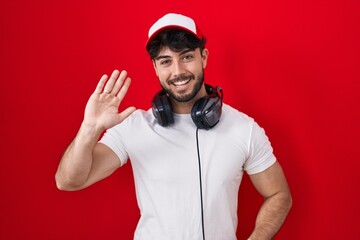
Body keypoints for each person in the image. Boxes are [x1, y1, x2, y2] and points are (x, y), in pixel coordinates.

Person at [55, 13, 292, 240]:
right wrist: (89, 129)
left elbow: (279, 195)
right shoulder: (134, 127)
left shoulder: (243, 129)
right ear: (155, 68)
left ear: (204, 57)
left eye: (187, 56)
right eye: (166, 61)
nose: (177, 71)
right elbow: (68, 181)